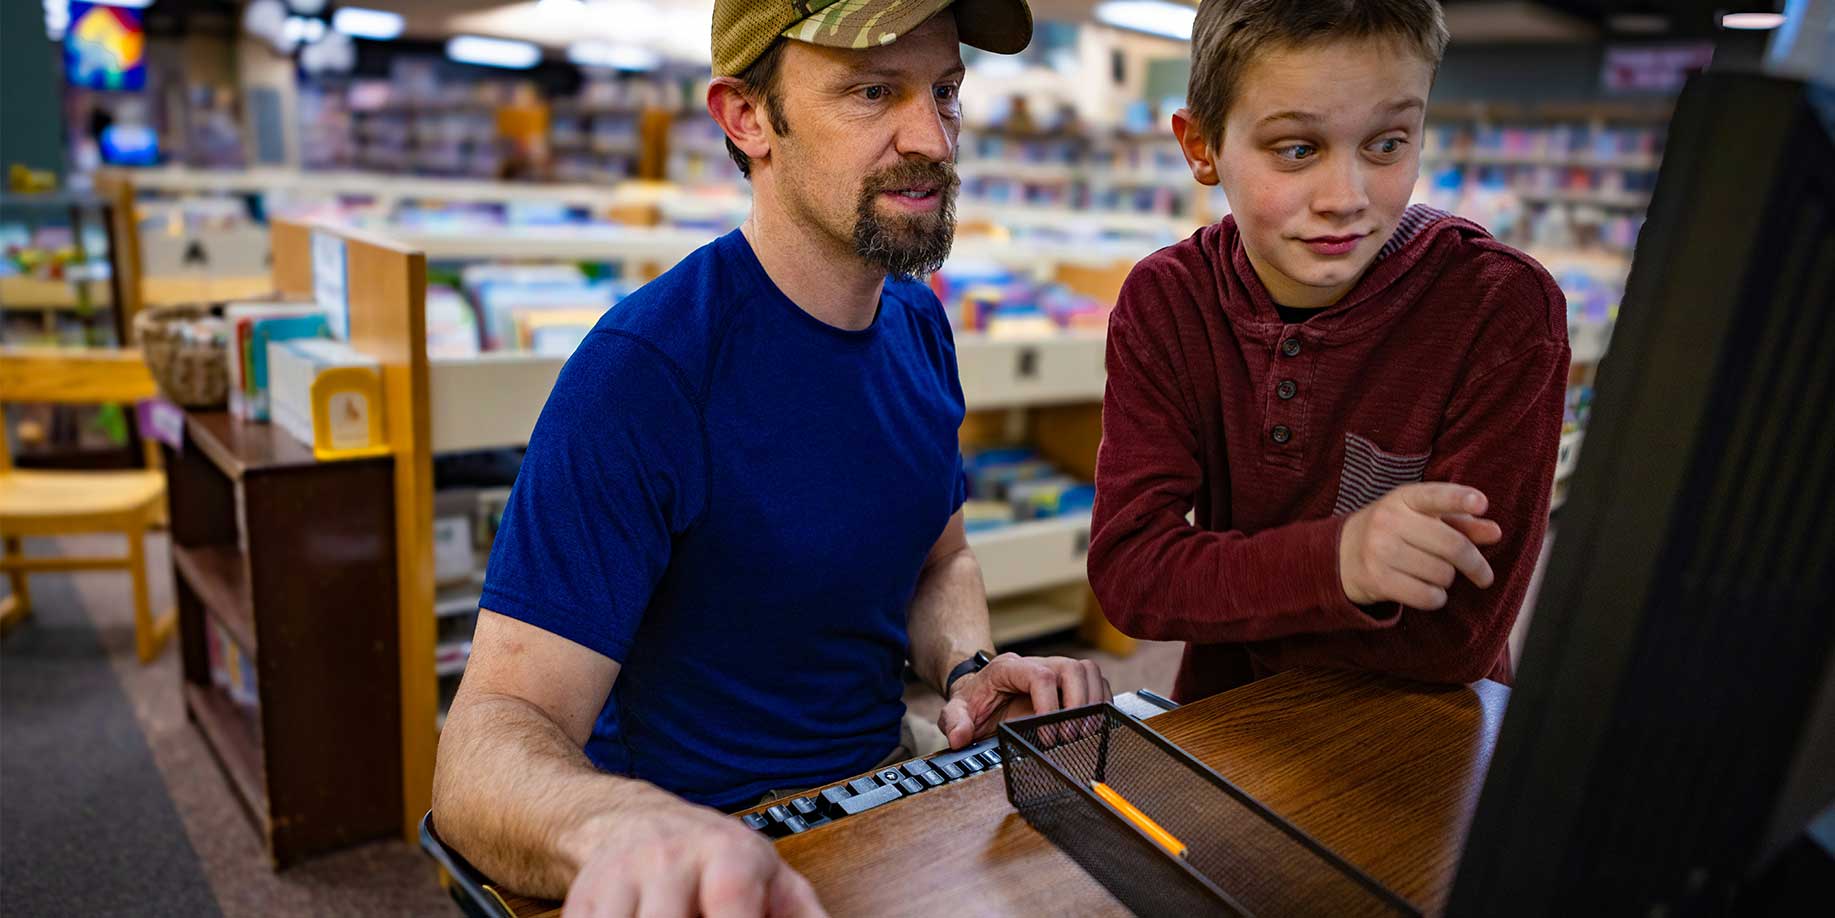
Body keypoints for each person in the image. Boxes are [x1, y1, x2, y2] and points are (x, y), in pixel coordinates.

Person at [432, 1, 1110, 913]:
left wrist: (970, 669)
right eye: (873, 92)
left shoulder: (916, 322)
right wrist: (617, 828)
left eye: (944, 92)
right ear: (747, 118)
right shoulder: (644, 375)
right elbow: (486, 742)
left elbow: (940, 559)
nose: (934, 140)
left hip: (882, 785)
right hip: (705, 845)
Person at [1089, 0, 1569, 703]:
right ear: (1201, 147)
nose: (1344, 198)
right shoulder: (1168, 299)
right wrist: (1342, 564)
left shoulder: (1502, 308)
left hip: (1421, 741)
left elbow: (1457, 635)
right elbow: (1131, 577)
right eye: (1296, 149)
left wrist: (1213, 586)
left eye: (1386, 144)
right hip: (1225, 725)